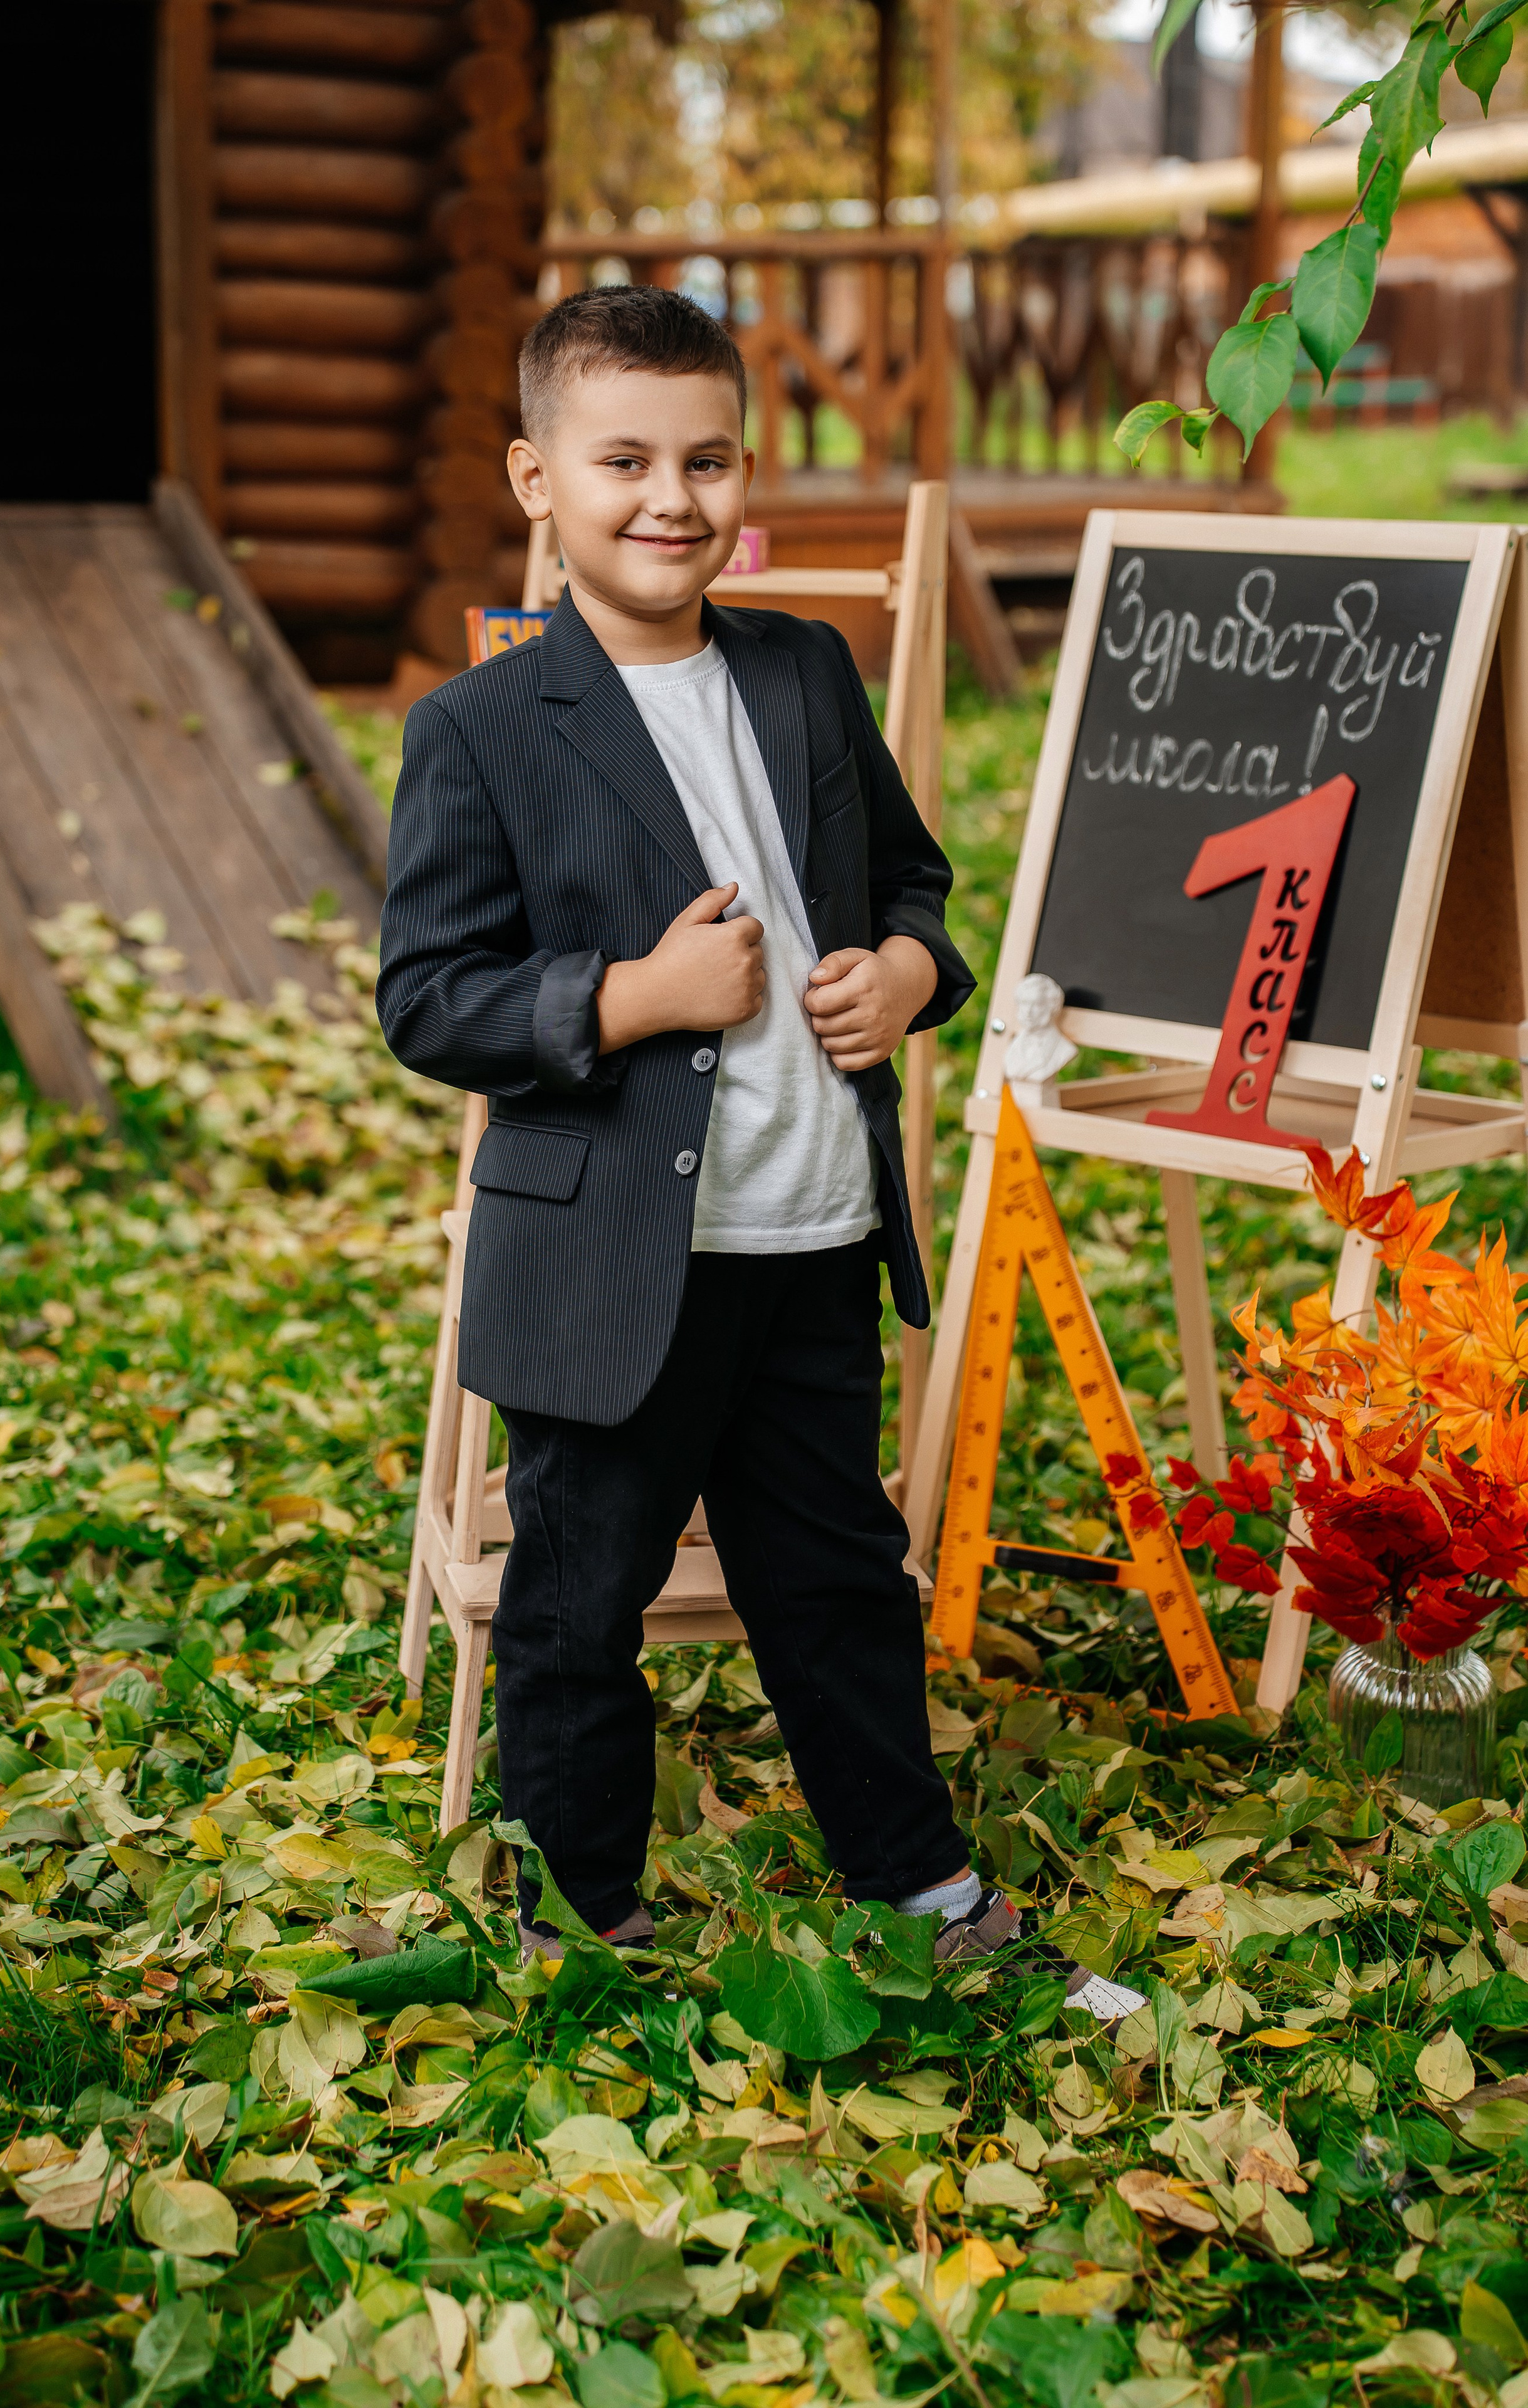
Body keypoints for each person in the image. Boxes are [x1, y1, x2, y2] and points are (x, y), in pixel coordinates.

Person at [377, 285, 1016, 1971]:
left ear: (750, 476)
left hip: (810, 1230)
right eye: (628, 460)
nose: (674, 497)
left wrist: (905, 967)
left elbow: (914, 880)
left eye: (710, 458)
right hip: (608, 1268)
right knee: (581, 1600)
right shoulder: (484, 730)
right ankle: (581, 1913)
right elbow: (429, 997)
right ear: (538, 480)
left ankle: (921, 1884)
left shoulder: (803, 670)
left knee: (840, 1578)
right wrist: (635, 997)